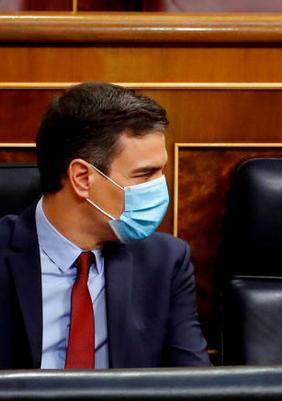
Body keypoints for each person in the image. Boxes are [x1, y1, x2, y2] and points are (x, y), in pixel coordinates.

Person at [0, 82, 210, 368]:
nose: (160, 187)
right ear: (83, 178)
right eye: (145, 174)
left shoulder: (165, 262)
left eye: (161, 172)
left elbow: (195, 389)